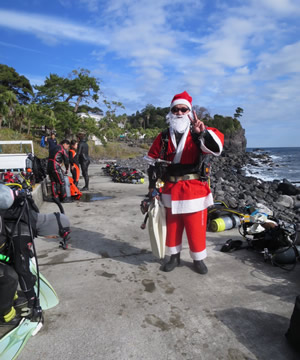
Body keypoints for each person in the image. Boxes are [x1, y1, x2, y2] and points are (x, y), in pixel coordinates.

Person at [145, 91, 224, 274]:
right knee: (172, 226)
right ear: (171, 112)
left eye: (183, 109)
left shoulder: (199, 133)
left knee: (196, 227)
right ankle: (174, 257)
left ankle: (198, 259)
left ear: (189, 112)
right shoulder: (163, 136)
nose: (179, 113)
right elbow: (151, 163)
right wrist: (151, 188)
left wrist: (202, 132)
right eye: (176, 109)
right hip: (169, 188)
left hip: (194, 189)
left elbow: (216, 148)